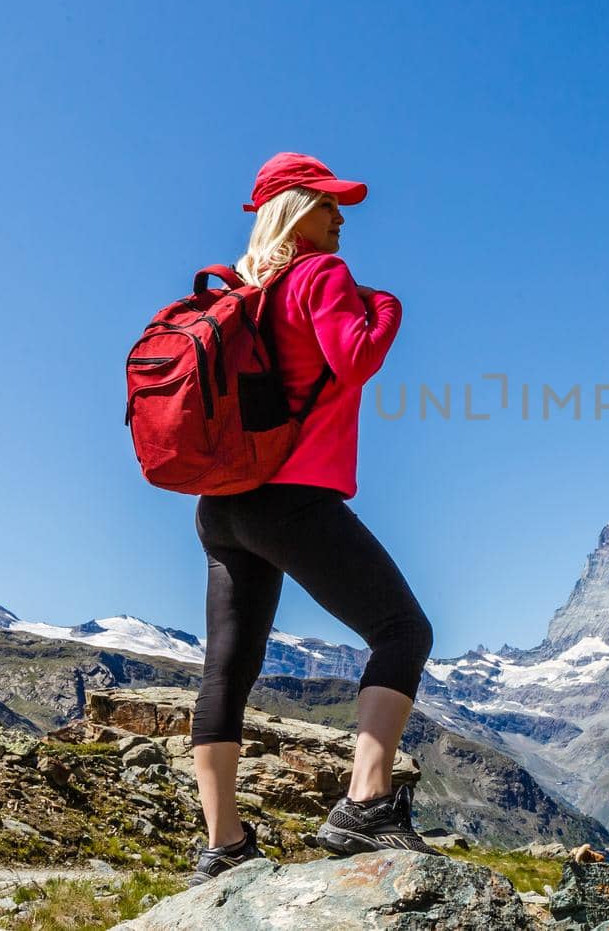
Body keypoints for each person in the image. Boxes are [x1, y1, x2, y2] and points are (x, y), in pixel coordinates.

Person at [185, 151, 438, 886]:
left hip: (222, 502)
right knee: (404, 630)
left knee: (227, 668)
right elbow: (356, 356)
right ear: (296, 214)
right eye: (328, 205)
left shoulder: (237, 292)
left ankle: (223, 844)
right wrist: (388, 303)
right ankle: (365, 800)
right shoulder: (320, 276)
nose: (341, 218)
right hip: (290, 495)